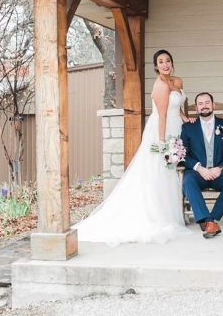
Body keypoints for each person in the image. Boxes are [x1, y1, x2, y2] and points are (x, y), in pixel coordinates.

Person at [74, 49, 193, 246]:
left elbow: (176, 108)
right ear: (156, 66)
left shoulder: (177, 82)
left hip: (176, 128)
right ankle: (157, 215)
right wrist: (163, 144)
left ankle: (169, 213)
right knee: (159, 171)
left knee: (169, 172)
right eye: (161, 62)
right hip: (160, 133)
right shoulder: (160, 86)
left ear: (172, 63)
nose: (165, 64)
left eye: (168, 61)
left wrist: (185, 118)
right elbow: (162, 116)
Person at [181, 92, 223, 238]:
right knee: (188, 182)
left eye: (207, 102)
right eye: (200, 104)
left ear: (213, 105)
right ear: (196, 108)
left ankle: (210, 219)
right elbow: (182, 154)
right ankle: (210, 222)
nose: (204, 106)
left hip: (219, 173)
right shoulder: (188, 128)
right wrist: (199, 168)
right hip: (198, 173)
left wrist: (220, 168)